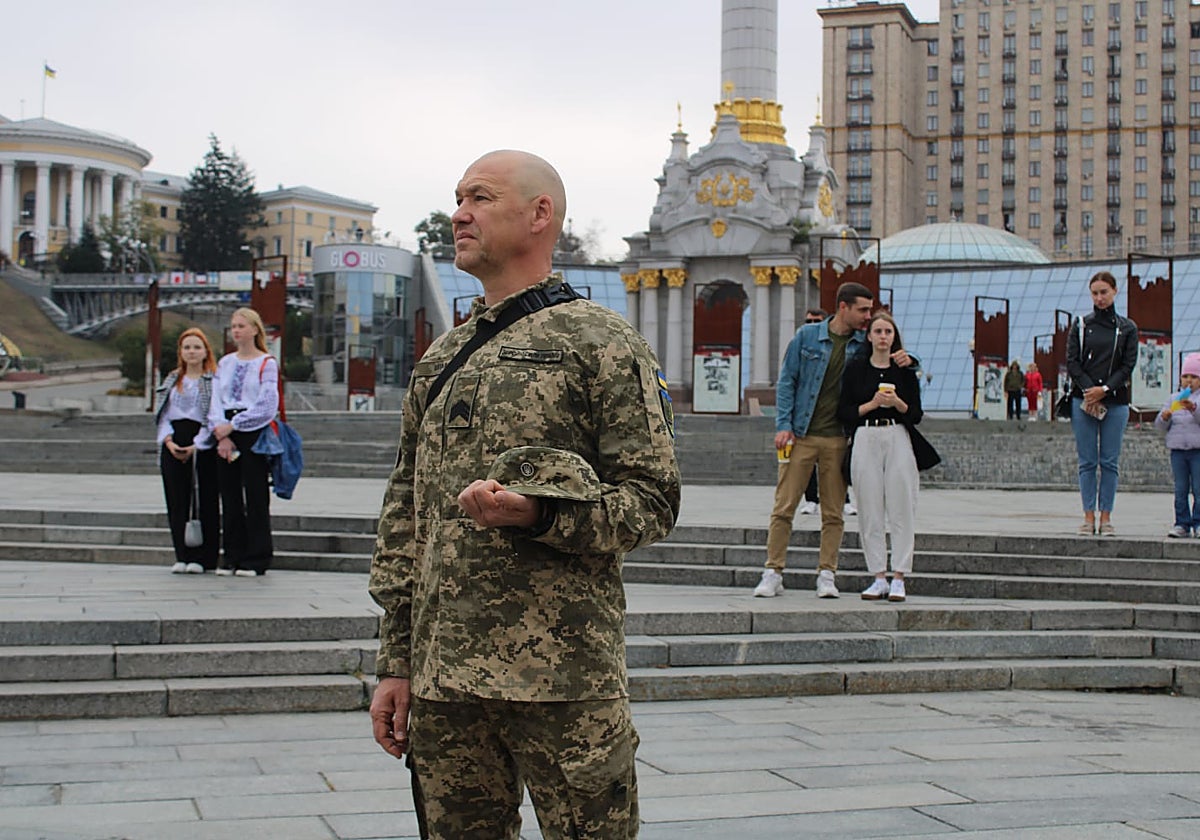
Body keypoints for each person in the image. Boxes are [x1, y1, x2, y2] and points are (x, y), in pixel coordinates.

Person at [368, 150, 680, 839]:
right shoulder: (440, 358)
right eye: (458, 198)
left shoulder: (601, 343)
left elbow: (653, 500)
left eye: (479, 197)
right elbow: (404, 517)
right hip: (446, 684)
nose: (459, 214)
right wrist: (396, 661)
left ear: (540, 214)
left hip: (562, 680)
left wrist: (542, 514)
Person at [756, 282, 913, 599]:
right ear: (844, 307)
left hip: (839, 438)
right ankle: (773, 571)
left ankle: (826, 574)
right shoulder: (807, 336)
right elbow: (787, 381)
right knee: (784, 507)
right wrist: (783, 425)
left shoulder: (861, 344)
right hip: (801, 434)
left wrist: (910, 360)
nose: (868, 316)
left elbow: (887, 355)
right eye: (863, 310)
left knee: (833, 513)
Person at [838, 311, 923, 603]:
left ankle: (899, 575)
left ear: (894, 337)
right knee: (869, 507)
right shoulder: (856, 368)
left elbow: (916, 414)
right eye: (878, 331)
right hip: (866, 435)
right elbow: (845, 411)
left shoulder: (904, 370)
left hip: (896, 434)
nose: (883, 337)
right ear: (869, 336)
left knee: (902, 506)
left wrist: (897, 402)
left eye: (888, 332)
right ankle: (878, 576)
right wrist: (872, 403)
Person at [1066, 271, 1139, 537]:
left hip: (1115, 401)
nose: (1099, 298)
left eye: (1104, 292)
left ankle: (1106, 517)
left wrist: (1105, 389)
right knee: (1087, 461)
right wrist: (1090, 390)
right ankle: (1088, 516)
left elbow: (1127, 365)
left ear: (1115, 292)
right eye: (1095, 293)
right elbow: (1072, 361)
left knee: (1109, 461)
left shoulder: (1127, 328)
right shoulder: (1081, 325)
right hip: (1084, 400)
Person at [208, 307, 279, 576]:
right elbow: (215, 398)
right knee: (230, 495)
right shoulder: (225, 363)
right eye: (234, 326)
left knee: (256, 494)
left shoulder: (266, 363)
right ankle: (232, 555)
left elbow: (267, 403)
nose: (236, 331)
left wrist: (236, 425)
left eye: (241, 326)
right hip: (225, 429)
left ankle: (257, 557)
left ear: (254, 330)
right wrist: (221, 431)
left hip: (252, 429)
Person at [155, 327, 219, 574]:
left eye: (196, 347)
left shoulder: (212, 380)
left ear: (205, 352)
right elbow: (163, 415)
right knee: (176, 498)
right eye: (187, 347)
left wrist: (198, 445)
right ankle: (182, 554)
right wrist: (168, 441)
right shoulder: (172, 379)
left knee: (204, 499)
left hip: (201, 441)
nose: (191, 352)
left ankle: (204, 557)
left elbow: (212, 415)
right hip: (174, 438)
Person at [1154, 353, 1200, 538]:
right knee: (1180, 489)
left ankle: (1198, 522)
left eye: (1194, 377)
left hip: (1197, 451)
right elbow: (1160, 426)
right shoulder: (1173, 399)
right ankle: (1182, 523)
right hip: (1178, 451)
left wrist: (1193, 409)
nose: (1189, 381)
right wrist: (1164, 418)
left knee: (1198, 488)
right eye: (1185, 376)